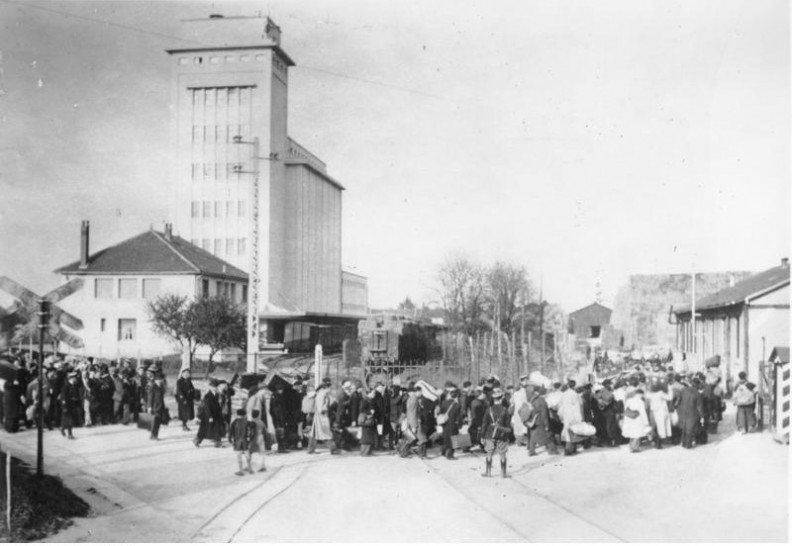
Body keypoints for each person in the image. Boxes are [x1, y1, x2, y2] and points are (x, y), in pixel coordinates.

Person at [480, 387, 512, 478]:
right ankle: (503, 473)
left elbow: (484, 424)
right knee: (502, 453)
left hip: (489, 434)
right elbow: (508, 425)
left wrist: (482, 436)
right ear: (501, 398)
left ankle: (488, 472)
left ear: (493, 399)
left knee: (489, 452)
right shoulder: (505, 410)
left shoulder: (488, 410)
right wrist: (507, 436)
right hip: (501, 434)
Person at [308, 377, 337, 454]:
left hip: (318, 415)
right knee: (325, 432)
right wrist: (325, 410)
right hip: (322, 416)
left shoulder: (321, 392)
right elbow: (321, 407)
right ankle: (333, 448)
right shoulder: (322, 394)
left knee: (314, 432)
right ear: (326, 387)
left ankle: (310, 449)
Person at [527, 386, 557, 456]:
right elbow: (544, 414)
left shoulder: (532, 399)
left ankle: (531, 451)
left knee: (533, 436)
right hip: (540, 421)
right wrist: (547, 425)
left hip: (534, 420)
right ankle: (552, 450)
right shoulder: (542, 401)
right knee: (548, 435)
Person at [675, 377, 703, 449]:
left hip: (682, 411)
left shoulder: (683, 390)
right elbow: (699, 406)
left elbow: (678, 401)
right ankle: (688, 444)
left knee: (684, 426)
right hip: (692, 412)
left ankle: (682, 442)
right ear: (698, 385)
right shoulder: (697, 394)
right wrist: (702, 416)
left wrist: (677, 409)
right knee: (690, 428)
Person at [194, 379, 223, 447]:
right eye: (214, 387)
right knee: (204, 429)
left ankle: (217, 442)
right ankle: (197, 440)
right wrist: (210, 416)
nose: (215, 388)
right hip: (208, 415)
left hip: (215, 415)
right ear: (210, 387)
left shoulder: (216, 394)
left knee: (216, 428)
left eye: (216, 387)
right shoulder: (207, 396)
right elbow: (207, 408)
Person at [558, 380, 583, 456]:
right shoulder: (574, 394)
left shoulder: (564, 394)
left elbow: (561, 405)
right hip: (573, 415)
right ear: (574, 386)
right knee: (572, 433)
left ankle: (573, 449)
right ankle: (568, 450)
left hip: (566, 415)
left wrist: (561, 415)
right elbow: (576, 407)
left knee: (569, 432)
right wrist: (579, 418)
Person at [438, 387, 462, 460]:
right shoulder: (457, 405)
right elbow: (458, 416)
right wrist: (460, 425)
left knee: (445, 437)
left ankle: (443, 451)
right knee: (453, 438)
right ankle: (449, 454)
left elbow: (441, 412)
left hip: (445, 422)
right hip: (453, 424)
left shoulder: (444, 403)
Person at [646, 383, 672, 449]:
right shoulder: (660, 393)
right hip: (660, 411)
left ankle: (654, 441)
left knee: (654, 427)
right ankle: (659, 443)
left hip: (652, 411)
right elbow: (670, 398)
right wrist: (670, 389)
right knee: (661, 427)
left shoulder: (649, 394)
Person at [228, 408, 253, 475]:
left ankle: (241, 470)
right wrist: (251, 438)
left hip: (237, 440)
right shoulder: (247, 422)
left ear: (237, 414)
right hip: (245, 440)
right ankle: (250, 468)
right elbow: (253, 426)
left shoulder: (234, 422)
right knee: (247, 454)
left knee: (239, 455)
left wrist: (230, 438)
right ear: (244, 415)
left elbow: (231, 431)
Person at [59, 371, 81, 439]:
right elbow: (63, 398)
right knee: (69, 420)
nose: (76, 379)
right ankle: (70, 434)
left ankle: (62, 428)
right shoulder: (66, 386)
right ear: (71, 378)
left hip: (73, 405)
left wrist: (78, 404)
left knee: (69, 420)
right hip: (67, 405)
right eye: (74, 378)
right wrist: (64, 407)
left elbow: (77, 395)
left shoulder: (75, 386)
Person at [148, 372, 167, 441]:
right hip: (155, 407)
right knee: (155, 422)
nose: (160, 380)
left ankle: (155, 435)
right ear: (155, 380)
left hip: (160, 406)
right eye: (158, 379)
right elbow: (150, 397)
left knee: (158, 422)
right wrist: (149, 407)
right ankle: (153, 436)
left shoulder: (161, 386)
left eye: (161, 379)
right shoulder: (153, 387)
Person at [359, 389, 377, 456]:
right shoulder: (365, 400)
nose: (374, 395)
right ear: (369, 393)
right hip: (366, 421)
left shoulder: (370, 400)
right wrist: (370, 412)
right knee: (366, 437)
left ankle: (369, 451)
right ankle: (364, 452)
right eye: (373, 393)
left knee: (369, 436)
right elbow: (361, 410)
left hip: (369, 421)